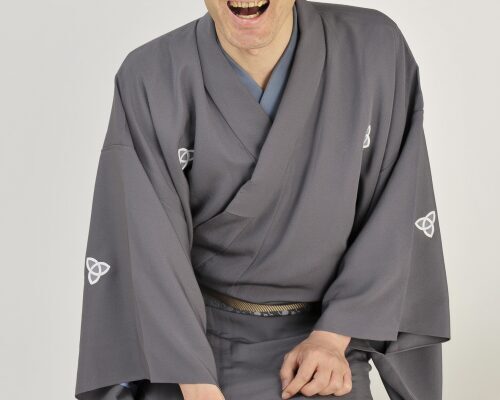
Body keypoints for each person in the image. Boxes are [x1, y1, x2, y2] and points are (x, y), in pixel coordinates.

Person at [75, 1, 451, 399]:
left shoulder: (372, 47)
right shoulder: (150, 75)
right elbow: (147, 243)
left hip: (327, 343)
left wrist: (332, 337)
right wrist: (195, 381)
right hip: (188, 343)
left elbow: (396, 207)